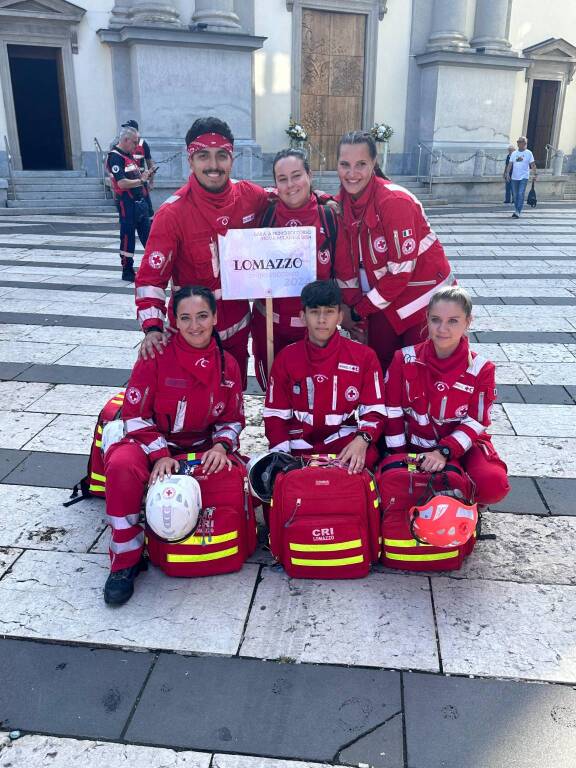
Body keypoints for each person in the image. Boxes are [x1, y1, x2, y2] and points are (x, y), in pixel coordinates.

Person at [103, 285, 245, 605]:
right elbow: (135, 415)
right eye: (186, 318)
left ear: (215, 318)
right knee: (122, 467)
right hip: (150, 442)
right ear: (174, 322)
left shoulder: (229, 365)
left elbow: (233, 420)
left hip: (200, 446)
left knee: (235, 475)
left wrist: (221, 447)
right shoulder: (155, 355)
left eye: (202, 316)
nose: (195, 326)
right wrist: (160, 454)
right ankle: (125, 560)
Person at [135, 116, 276, 388]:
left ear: (231, 159)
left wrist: (326, 201)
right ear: (190, 161)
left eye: (221, 156)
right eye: (203, 156)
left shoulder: (250, 196)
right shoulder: (172, 214)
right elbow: (150, 280)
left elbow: (288, 194)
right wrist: (152, 327)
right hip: (192, 335)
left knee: (232, 403)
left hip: (236, 335)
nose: (213, 165)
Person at [334, 131, 454, 375]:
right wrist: (353, 312)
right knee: (381, 368)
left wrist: (358, 311)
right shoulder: (341, 204)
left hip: (422, 300)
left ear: (374, 164)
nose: (351, 173)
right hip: (383, 300)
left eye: (361, 165)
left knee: (418, 373)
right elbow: (345, 266)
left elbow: (400, 273)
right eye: (344, 164)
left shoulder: (394, 201)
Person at [384, 285, 509, 505]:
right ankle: (451, 484)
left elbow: (477, 420)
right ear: (426, 319)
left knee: (493, 485)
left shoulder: (482, 369)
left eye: (453, 321)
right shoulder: (402, 359)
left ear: (468, 322)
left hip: (460, 447)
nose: (442, 329)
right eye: (435, 320)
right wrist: (398, 456)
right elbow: (392, 411)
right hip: (410, 444)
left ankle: (459, 484)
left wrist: (444, 451)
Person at [264, 280, 386, 474]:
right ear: (303, 317)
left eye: (329, 311)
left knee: (369, 458)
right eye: (314, 312)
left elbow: (375, 412)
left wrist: (362, 440)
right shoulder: (286, 358)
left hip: (343, 443)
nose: (322, 319)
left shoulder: (364, 356)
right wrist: (282, 457)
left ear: (340, 316)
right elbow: (275, 416)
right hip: (298, 444)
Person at [251, 148, 338, 390]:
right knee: (275, 390)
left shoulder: (329, 216)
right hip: (270, 326)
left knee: (312, 392)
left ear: (310, 175)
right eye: (282, 179)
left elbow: (341, 274)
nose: (290, 185)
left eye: (297, 175)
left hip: (314, 330)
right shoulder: (265, 213)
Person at [107, 125, 152, 281]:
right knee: (128, 237)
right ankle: (127, 270)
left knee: (149, 236)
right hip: (127, 203)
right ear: (125, 140)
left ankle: (154, 266)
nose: (135, 146)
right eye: (134, 142)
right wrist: (141, 180)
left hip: (140, 202)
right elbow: (122, 183)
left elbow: (135, 178)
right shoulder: (115, 157)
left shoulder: (129, 155)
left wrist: (145, 177)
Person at [123, 119, 155, 219]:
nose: (125, 130)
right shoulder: (122, 144)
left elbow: (150, 163)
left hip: (141, 182)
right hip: (128, 182)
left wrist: (151, 182)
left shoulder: (143, 144)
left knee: (147, 210)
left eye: (127, 128)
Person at [505, 136, 537, 219]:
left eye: (522, 142)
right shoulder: (514, 153)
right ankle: (516, 209)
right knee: (515, 195)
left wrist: (535, 174)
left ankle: (518, 211)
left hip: (524, 176)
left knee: (520, 193)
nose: (518, 143)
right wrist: (507, 173)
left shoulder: (529, 153)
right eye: (519, 141)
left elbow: (532, 164)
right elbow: (510, 164)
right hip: (514, 177)